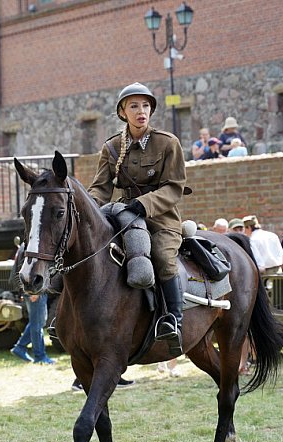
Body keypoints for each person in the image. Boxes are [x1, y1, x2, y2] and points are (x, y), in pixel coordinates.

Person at [88, 82, 187, 356]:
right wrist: (88, 208)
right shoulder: (111, 148)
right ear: (123, 112)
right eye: (134, 106)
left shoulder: (167, 143)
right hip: (124, 214)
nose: (141, 111)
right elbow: (100, 188)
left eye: (145, 105)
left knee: (164, 257)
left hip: (160, 216)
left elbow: (174, 187)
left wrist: (143, 204)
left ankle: (173, 321)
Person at [11, 292, 55, 364]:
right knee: (37, 324)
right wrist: (35, 292)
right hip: (37, 292)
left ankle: (20, 347)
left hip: (36, 292)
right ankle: (40, 357)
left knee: (37, 322)